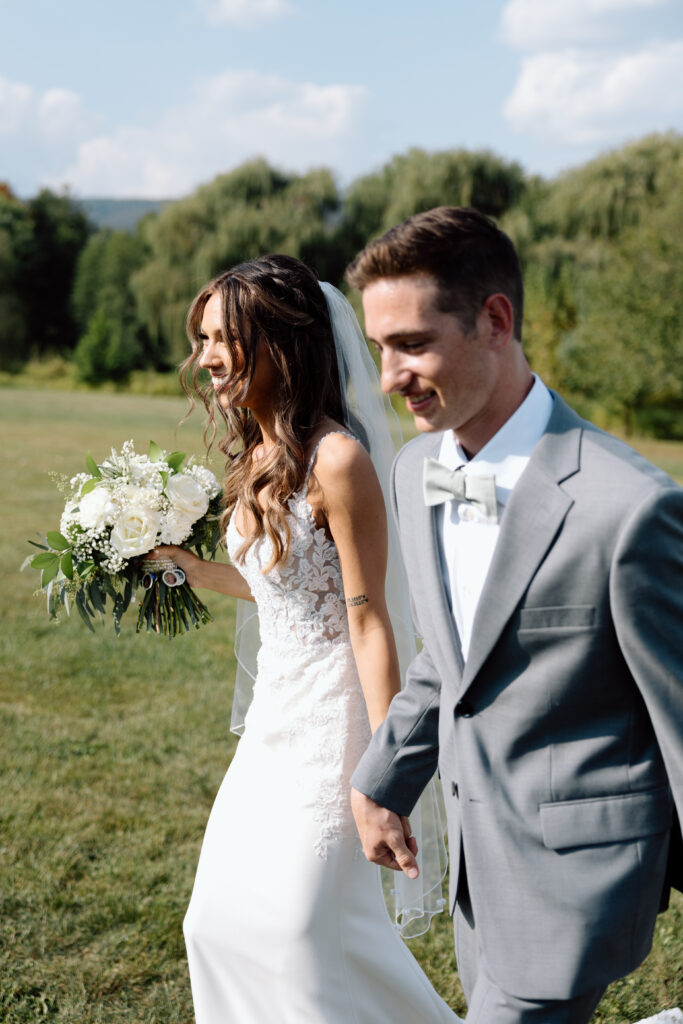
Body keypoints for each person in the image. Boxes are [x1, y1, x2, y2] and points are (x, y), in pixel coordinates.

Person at [347, 206, 683, 1024]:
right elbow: (449, 653)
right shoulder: (414, 465)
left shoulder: (629, 507)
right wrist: (385, 776)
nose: (389, 376)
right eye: (378, 348)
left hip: (576, 882)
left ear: (494, 320)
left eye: (413, 344)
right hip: (476, 872)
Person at [151, 254, 460, 1023]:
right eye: (203, 339)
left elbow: (368, 616)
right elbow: (276, 585)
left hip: (333, 728)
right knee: (212, 924)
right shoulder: (257, 455)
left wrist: (388, 773)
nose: (208, 357)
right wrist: (185, 569)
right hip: (268, 734)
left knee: (298, 937)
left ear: (283, 341)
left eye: (227, 337)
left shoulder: (339, 459)